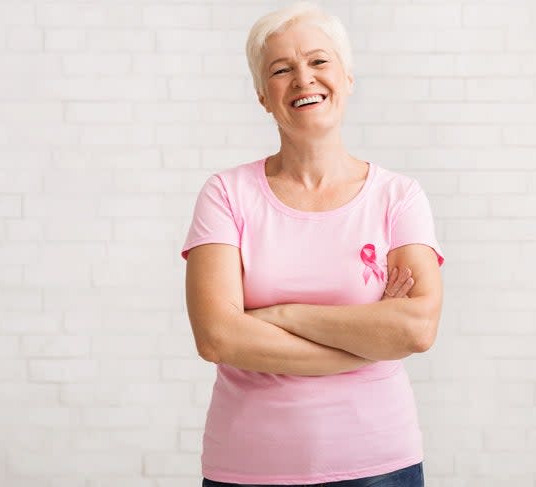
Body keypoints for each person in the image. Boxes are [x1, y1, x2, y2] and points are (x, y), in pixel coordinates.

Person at [181, 2, 445, 486]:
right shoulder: (226, 194)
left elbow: (416, 328)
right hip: (248, 468)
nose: (304, 78)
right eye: (281, 70)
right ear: (263, 95)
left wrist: (281, 316)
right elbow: (218, 336)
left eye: (319, 62)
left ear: (347, 77)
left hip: (379, 465)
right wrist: (366, 343)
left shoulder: (398, 197)